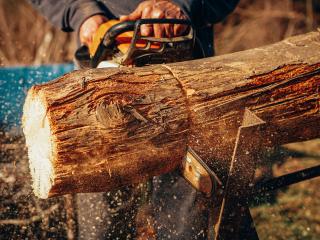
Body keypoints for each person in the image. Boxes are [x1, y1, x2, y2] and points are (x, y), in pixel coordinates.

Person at [27, 1, 239, 239]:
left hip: (185, 72)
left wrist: (183, 4)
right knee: (102, 225)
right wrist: (81, 11)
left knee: (189, 222)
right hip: (99, 77)